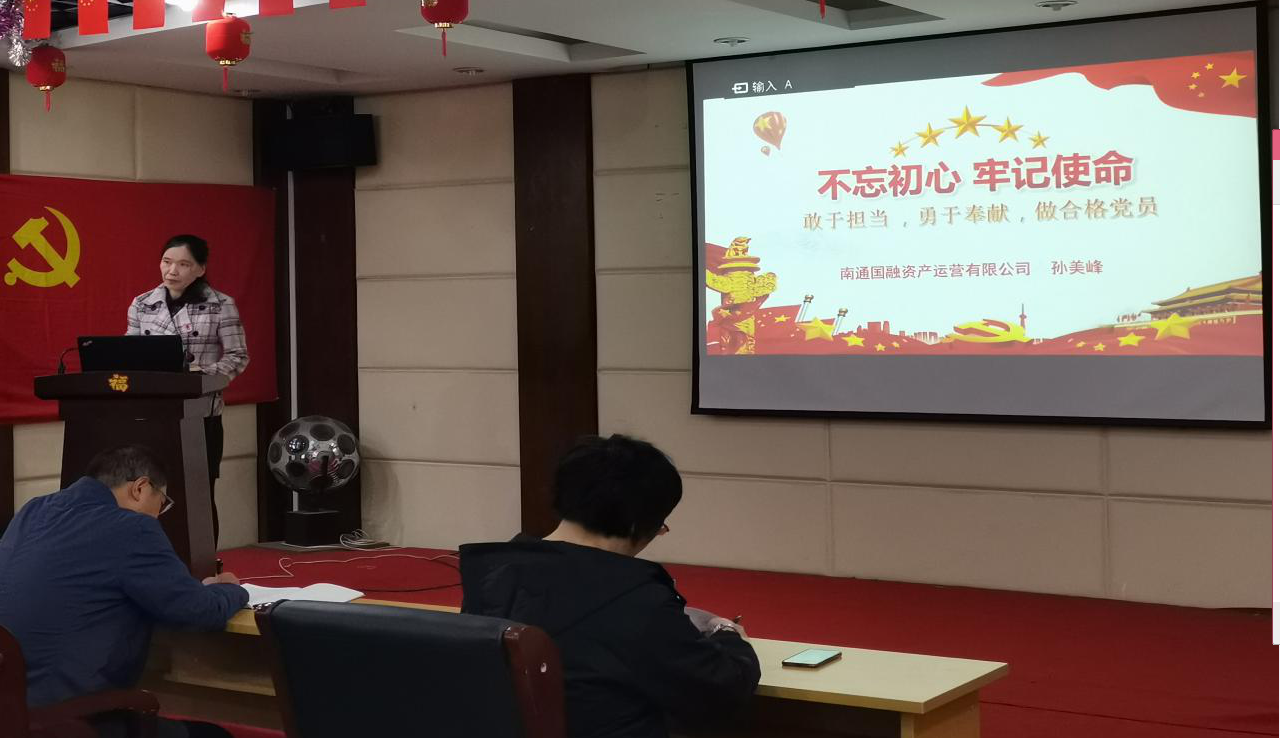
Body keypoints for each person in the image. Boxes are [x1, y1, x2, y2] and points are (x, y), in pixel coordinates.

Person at [460, 434, 761, 738]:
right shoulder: (636, 600)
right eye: (659, 525)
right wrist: (727, 633)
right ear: (636, 524)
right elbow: (723, 689)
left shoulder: (490, 575)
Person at [0, 445, 249, 738]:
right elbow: (199, 611)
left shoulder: (32, 511)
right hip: (65, 719)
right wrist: (231, 589)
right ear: (140, 488)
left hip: (10, 714)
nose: (158, 516)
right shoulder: (132, 528)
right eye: (162, 503)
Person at [127, 234, 249, 544]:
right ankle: (150, 555)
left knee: (198, 491)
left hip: (201, 412)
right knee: (147, 488)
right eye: (166, 262)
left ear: (200, 269)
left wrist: (200, 376)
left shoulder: (220, 304)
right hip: (152, 414)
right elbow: (128, 354)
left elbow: (238, 356)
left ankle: (203, 560)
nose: (172, 271)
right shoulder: (143, 303)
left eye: (183, 264)